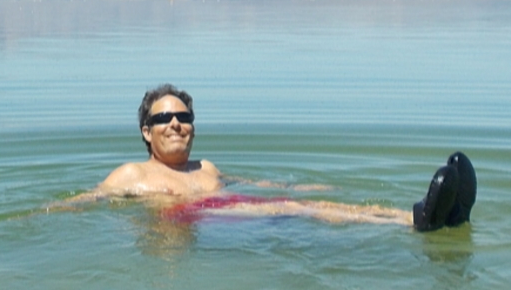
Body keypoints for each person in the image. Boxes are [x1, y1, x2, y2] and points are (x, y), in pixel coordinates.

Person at [96, 84, 476, 231]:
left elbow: (245, 183)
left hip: (239, 211)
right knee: (303, 210)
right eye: (164, 118)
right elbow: (86, 201)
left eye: (185, 117)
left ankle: (429, 217)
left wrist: (291, 186)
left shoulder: (205, 167)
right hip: (204, 220)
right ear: (146, 131)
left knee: (312, 204)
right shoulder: (133, 174)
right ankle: (419, 220)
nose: (176, 124)